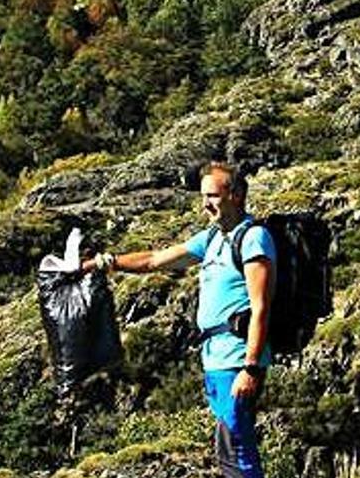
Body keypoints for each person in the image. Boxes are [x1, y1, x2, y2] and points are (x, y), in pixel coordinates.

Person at [82, 161, 275, 478]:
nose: (205, 203)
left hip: (236, 358)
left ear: (236, 195)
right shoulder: (212, 238)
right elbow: (154, 260)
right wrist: (105, 262)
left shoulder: (253, 238)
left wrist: (251, 368)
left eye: (213, 195)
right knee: (229, 449)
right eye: (203, 196)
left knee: (236, 451)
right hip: (216, 358)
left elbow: (260, 307)